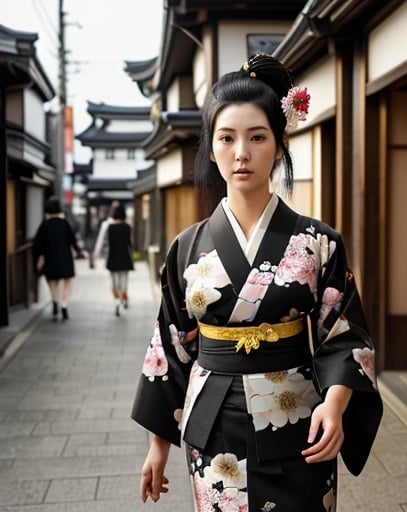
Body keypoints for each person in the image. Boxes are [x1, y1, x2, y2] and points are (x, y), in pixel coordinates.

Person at [131, 53, 383, 511]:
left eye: (257, 137)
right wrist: (157, 447)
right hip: (212, 428)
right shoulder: (186, 247)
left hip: (299, 420)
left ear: (280, 145)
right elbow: (169, 347)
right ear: (211, 148)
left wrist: (336, 404)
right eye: (226, 138)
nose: (241, 152)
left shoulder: (318, 242)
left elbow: (346, 335)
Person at [33, 195, 87, 321]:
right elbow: (72, 241)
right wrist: (79, 252)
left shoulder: (45, 225)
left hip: (50, 257)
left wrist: (40, 257)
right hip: (65, 257)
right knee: (67, 282)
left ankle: (54, 301)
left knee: (52, 282)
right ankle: (64, 304)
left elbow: (37, 243)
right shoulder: (64, 223)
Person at [103, 204, 134, 316]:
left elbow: (107, 244)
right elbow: (129, 244)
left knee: (115, 282)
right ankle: (124, 297)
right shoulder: (127, 227)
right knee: (124, 280)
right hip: (125, 257)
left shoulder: (110, 228)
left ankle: (117, 301)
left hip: (113, 258)